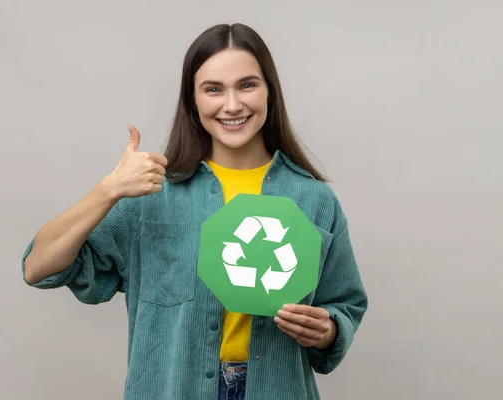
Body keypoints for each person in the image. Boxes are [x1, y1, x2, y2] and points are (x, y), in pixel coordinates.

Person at [22, 23, 368, 400]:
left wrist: (329, 330)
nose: (232, 104)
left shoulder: (314, 200)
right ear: (193, 101)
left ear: (271, 93)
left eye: (248, 85)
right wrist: (108, 191)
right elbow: (39, 268)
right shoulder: (152, 196)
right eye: (213, 89)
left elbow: (344, 304)